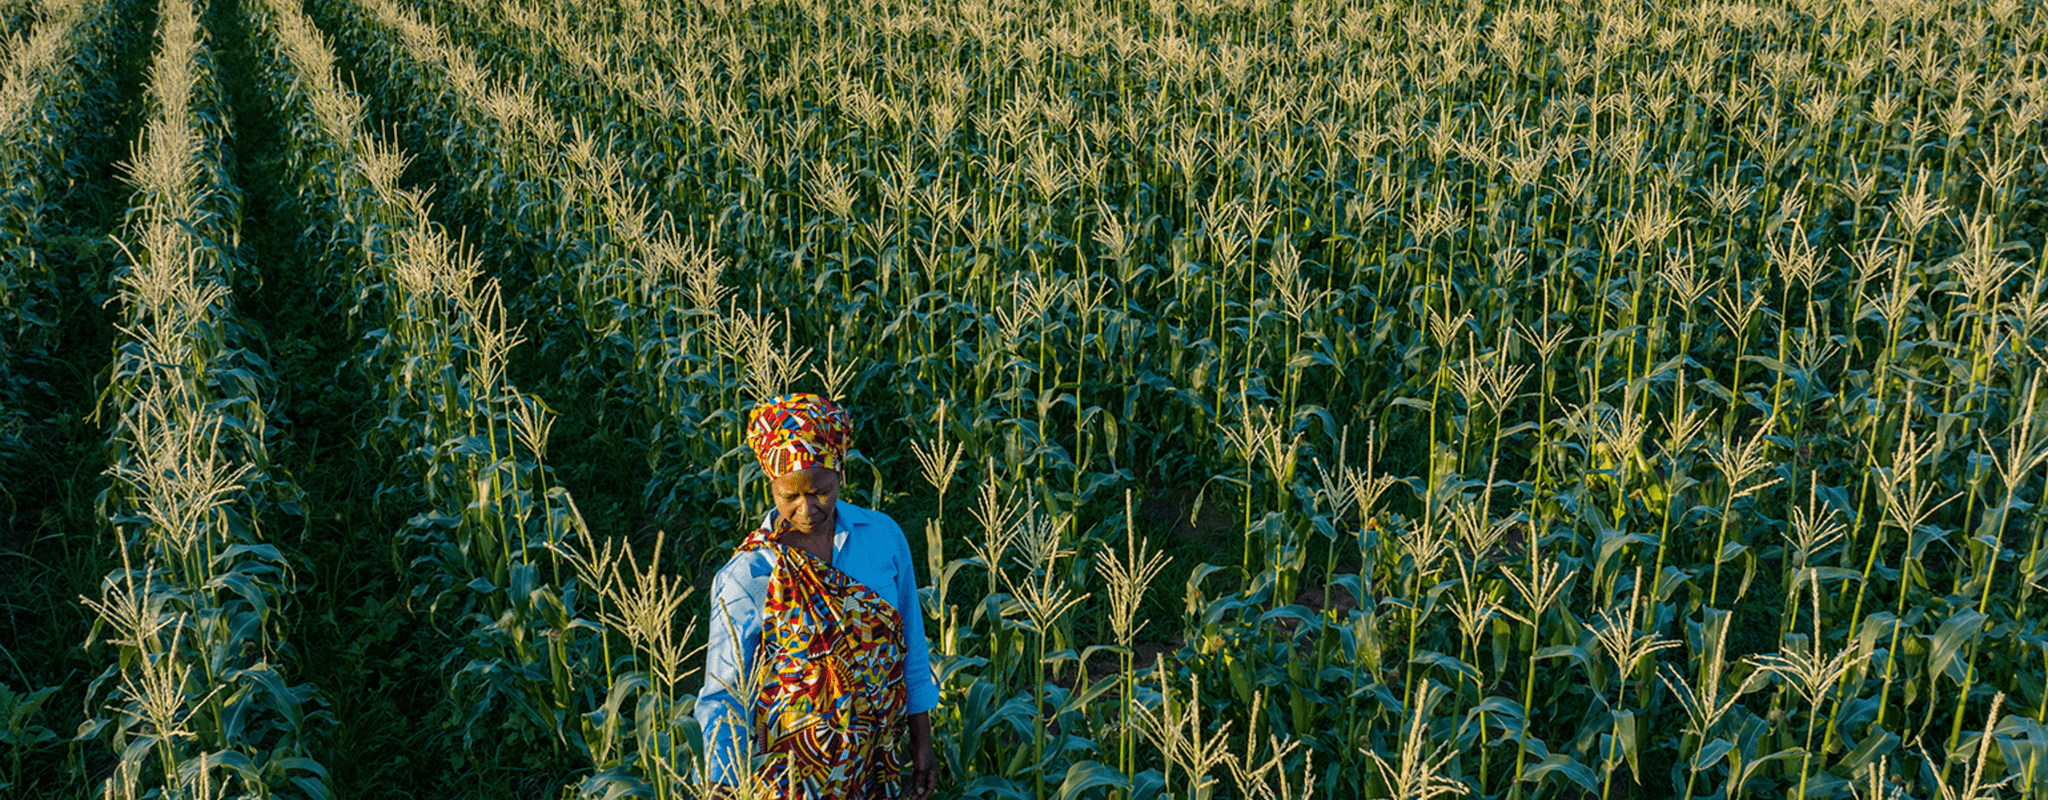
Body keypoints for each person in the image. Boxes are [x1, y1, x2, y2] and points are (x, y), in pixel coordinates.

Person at [695, 393, 939, 800]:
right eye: (789, 496)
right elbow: (724, 693)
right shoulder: (748, 575)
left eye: (820, 492)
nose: (806, 508)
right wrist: (722, 784)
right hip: (790, 780)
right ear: (771, 486)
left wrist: (922, 744)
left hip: (877, 766)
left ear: (839, 472)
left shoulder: (882, 538)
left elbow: (911, 649)